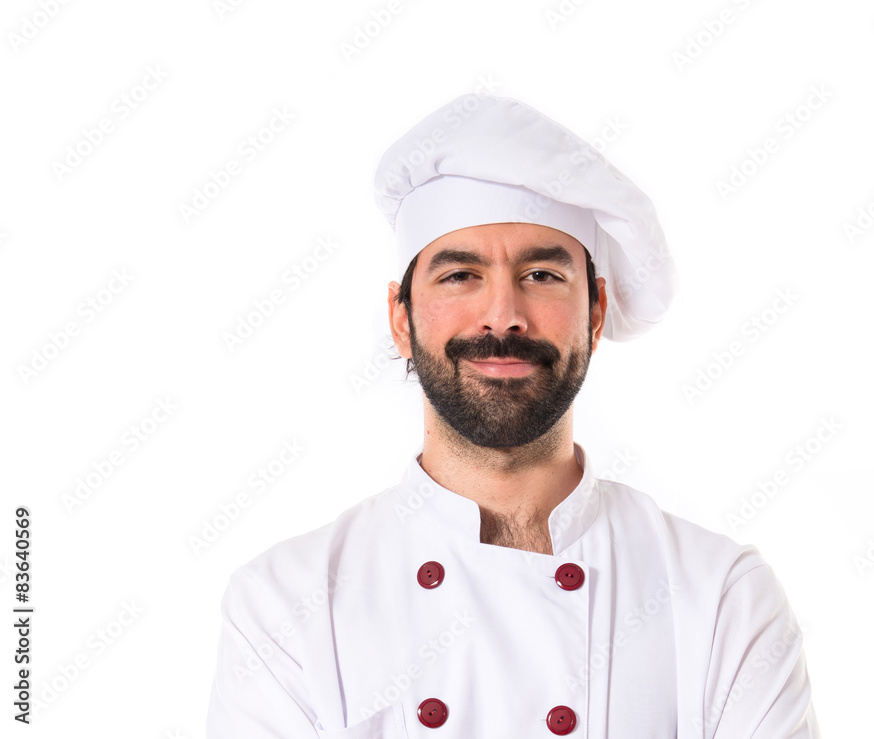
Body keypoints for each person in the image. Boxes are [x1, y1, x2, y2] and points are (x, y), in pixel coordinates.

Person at [206, 93, 821, 738]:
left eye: (542, 275)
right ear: (400, 318)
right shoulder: (288, 607)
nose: (503, 316)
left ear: (597, 310)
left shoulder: (720, 598)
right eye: (460, 276)